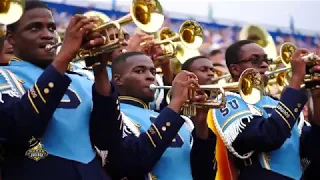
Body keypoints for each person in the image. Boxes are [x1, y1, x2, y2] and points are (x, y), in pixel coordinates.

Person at [1, 1, 122, 179]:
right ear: (11, 39)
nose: (48, 35)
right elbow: (18, 128)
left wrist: (100, 69)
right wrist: (64, 56)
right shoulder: (5, 75)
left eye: (51, 28)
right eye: (35, 28)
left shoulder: (82, 77)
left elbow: (108, 139)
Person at [209, 40, 320, 180]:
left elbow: (312, 148)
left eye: (266, 60)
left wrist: (317, 96)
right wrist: (296, 78)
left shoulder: (276, 102)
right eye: (255, 60)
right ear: (235, 69)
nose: (264, 65)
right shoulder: (227, 100)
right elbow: (268, 137)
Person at [103, 51, 216, 180]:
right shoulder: (114, 116)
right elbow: (133, 162)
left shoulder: (176, 119)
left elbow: (204, 173)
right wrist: (176, 101)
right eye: (140, 71)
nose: (151, 77)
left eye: (153, 72)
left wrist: (201, 122)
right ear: (118, 80)